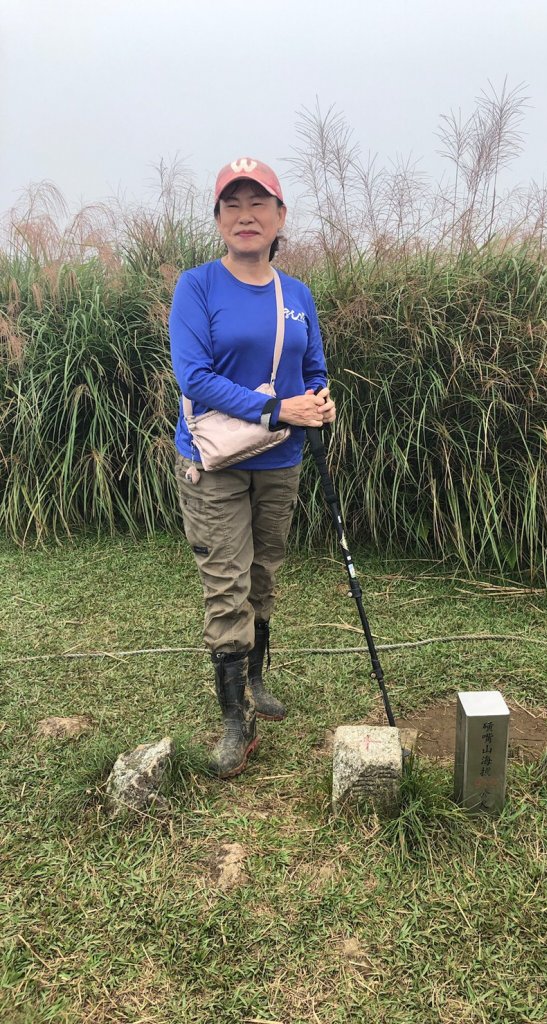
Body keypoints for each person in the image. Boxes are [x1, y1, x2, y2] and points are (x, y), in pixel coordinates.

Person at [169, 157, 336, 779]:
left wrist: (320, 397)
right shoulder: (198, 286)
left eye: (258, 203)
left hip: (283, 458)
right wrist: (275, 409)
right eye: (232, 204)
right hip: (214, 461)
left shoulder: (298, 294)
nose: (246, 215)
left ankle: (257, 680)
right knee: (226, 583)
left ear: (280, 216)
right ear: (218, 219)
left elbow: (313, 366)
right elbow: (195, 378)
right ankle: (235, 720)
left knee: (264, 574)